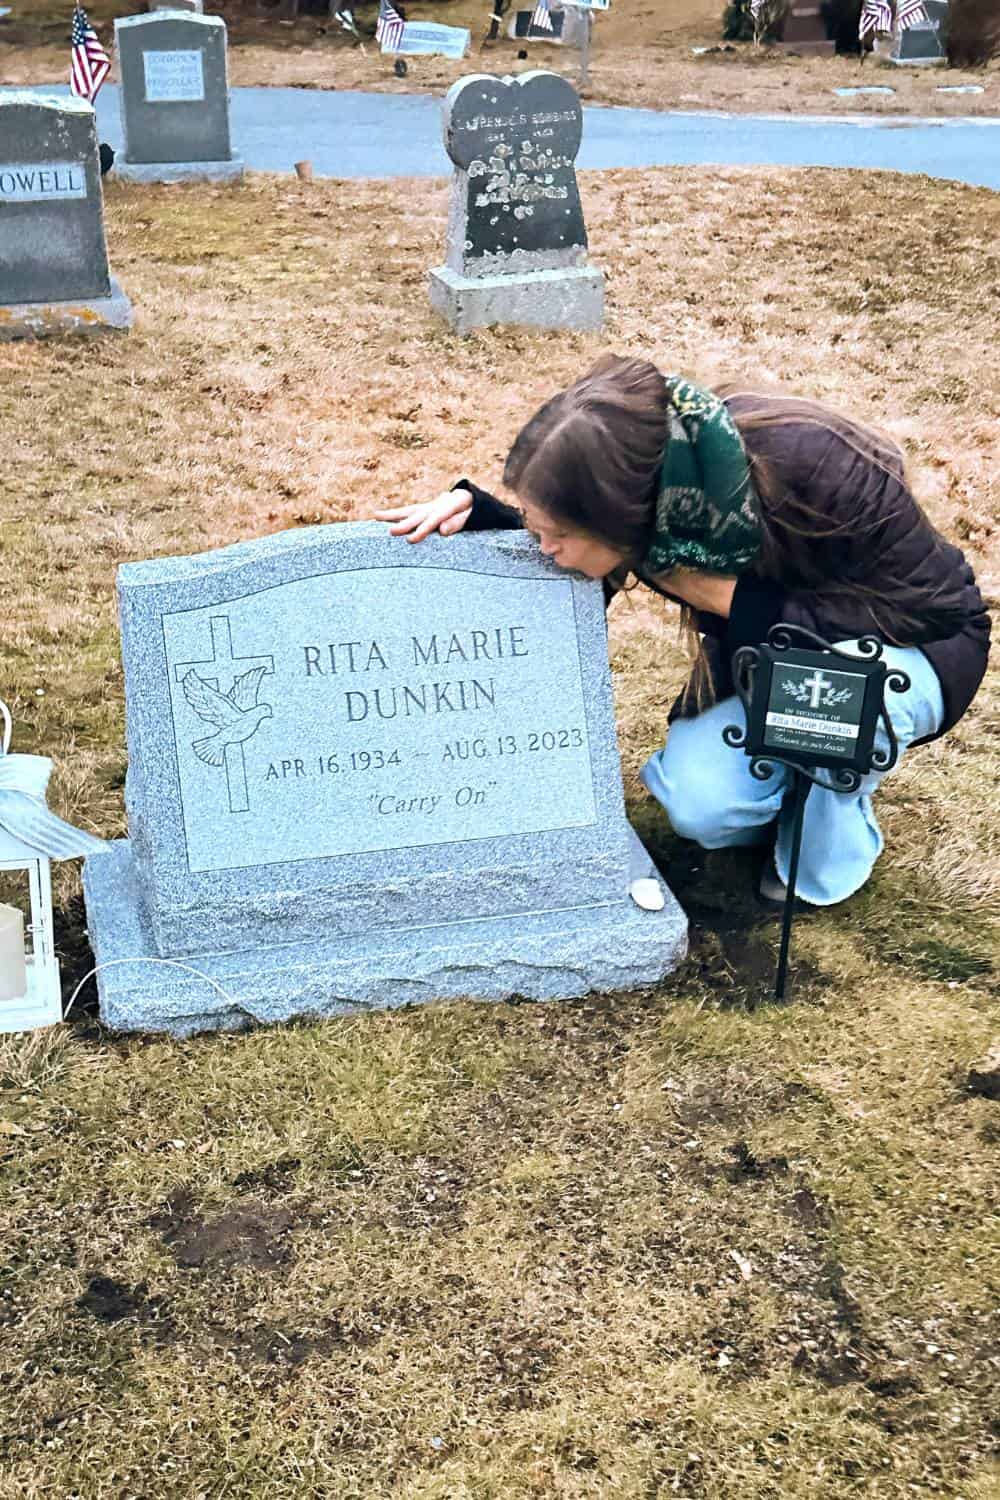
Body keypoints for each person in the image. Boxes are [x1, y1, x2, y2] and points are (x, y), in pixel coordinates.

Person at [374, 355, 990, 906]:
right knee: (697, 803)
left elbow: (936, 611)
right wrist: (495, 524)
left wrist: (738, 604)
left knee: (826, 723)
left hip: (911, 655)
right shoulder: (659, 500)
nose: (547, 549)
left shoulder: (816, 460)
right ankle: (788, 778)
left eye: (554, 533)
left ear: (623, 514)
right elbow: (584, 557)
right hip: (763, 661)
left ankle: (829, 825)